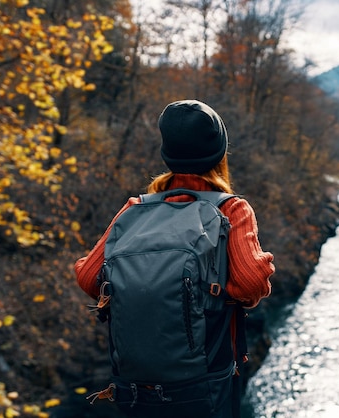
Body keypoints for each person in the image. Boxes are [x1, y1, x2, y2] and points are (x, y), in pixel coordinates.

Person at [75, 99, 274, 417]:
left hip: (134, 386)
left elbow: (88, 276)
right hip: (204, 386)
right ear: (220, 153)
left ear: (167, 154)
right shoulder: (231, 208)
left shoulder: (135, 207)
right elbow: (250, 285)